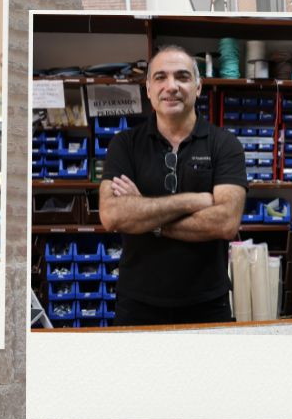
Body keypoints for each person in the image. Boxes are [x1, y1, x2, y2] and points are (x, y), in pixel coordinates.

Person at [98, 45, 248, 325]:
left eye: (182, 77)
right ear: (148, 89)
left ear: (198, 86)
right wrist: (193, 201)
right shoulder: (125, 144)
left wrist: (147, 217)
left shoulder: (225, 144)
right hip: (137, 303)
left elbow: (226, 222)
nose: (172, 86)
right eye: (160, 77)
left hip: (207, 303)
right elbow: (113, 215)